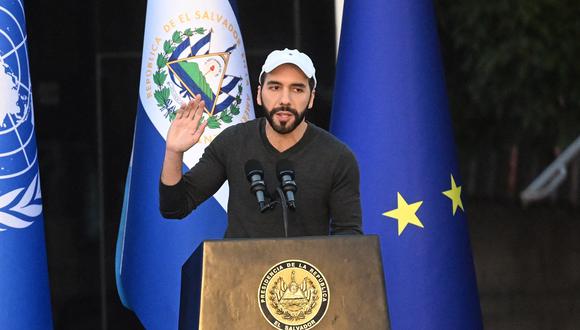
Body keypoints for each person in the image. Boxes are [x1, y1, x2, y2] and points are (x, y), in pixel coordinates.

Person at [159, 48, 362, 238]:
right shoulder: (233, 142)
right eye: (275, 87)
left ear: (311, 98)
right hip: (238, 273)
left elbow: (349, 237)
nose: (285, 100)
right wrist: (173, 152)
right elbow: (174, 207)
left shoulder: (337, 157)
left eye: (297, 89)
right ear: (258, 94)